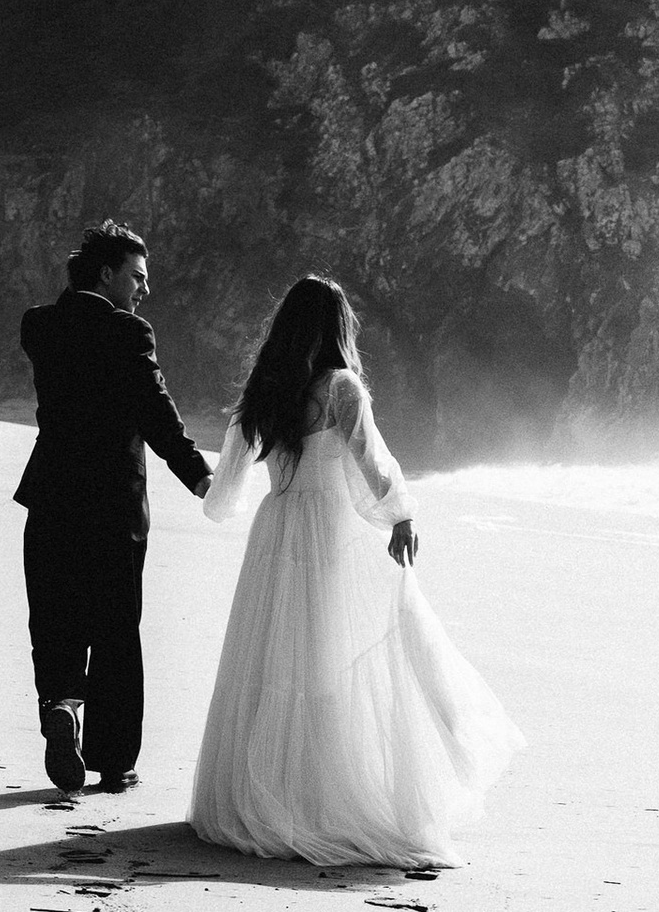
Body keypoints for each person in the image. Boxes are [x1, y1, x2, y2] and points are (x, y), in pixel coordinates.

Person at [190, 275, 517, 869]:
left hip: (276, 528)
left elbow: (224, 489)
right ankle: (319, 798)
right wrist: (401, 516)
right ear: (337, 328)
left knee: (271, 658)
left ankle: (265, 791)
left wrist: (227, 500)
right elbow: (373, 463)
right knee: (328, 660)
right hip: (327, 533)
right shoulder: (341, 388)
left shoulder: (264, 390)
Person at [16, 221, 211, 795]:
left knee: (53, 617)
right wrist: (198, 473)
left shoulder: (40, 325)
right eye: (136, 276)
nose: (143, 289)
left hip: (50, 495)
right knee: (116, 631)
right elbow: (156, 411)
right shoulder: (128, 333)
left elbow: (67, 334)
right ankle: (112, 759)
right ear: (107, 272)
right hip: (113, 505)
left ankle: (60, 705)